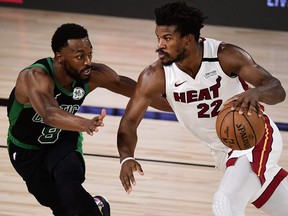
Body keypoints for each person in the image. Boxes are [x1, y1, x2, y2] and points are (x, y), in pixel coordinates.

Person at [117, 2, 288, 216]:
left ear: (187, 40)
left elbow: (277, 90)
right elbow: (129, 122)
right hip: (223, 150)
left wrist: (257, 93)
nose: (159, 45)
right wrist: (126, 156)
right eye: (158, 37)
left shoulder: (225, 56)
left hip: (255, 138)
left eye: (167, 38)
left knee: (225, 202)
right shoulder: (155, 76)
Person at [6, 23, 170, 216]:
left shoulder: (92, 75)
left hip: (63, 139)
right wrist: (85, 124)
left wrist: (179, 107)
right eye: (79, 57)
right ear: (60, 58)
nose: (87, 62)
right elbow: (49, 114)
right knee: (60, 206)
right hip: (26, 149)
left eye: (90, 54)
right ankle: (99, 206)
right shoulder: (35, 76)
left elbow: (142, 92)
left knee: (69, 187)